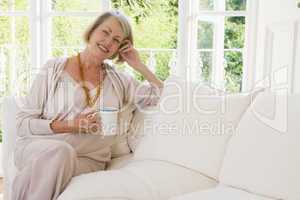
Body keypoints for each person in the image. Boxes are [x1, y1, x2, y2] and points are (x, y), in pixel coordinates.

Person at [12, 10, 163, 200]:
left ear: (120, 48)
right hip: (38, 148)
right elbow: (22, 123)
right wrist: (71, 125)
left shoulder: (120, 81)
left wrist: (138, 65)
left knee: (61, 156)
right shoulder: (53, 69)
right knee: (60, 152)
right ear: (92, 31)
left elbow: (163, 96)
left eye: (116, 40)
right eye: (105, 32)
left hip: (87, 159)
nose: (108, 42)